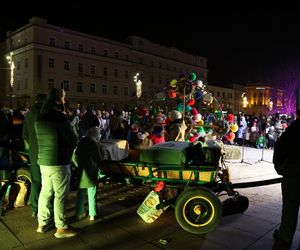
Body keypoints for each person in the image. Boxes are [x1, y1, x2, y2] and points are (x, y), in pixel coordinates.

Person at [35, 88, 79, 238]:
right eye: (63, 97)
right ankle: (61, 227)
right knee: (60, 195)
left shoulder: (40, 117)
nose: (64, 100)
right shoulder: (59, 118)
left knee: (45, 192)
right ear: (58, 99)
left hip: (44, 161)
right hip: (59, 161)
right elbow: (73, 140)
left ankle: (42, 223)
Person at [272, 109, 300, 249]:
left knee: (289, 211)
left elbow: (280, 149)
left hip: (292, 177)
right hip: (292, 175)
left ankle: (284, 238)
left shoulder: (292, 131)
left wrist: (282, 169)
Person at [22, 93, 46, 217]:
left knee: (36, 181)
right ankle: (46, 210)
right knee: (47, 183)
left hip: (34, 154)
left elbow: (25, 136)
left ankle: (35, 209)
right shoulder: (45, 115)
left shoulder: (29, 115)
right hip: (46, 154)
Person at [72, 126, 102, 221]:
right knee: (92, 194)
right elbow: (98, 159)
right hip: (91, 172)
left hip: (81, 173)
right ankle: (92, 214)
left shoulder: (80, 143)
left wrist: (78, 166)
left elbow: (74, 157)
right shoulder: (94, 144)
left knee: (80, 194)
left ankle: (78, 214)